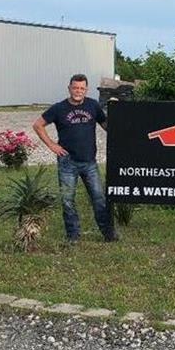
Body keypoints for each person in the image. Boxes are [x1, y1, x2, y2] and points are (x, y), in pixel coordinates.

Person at [33, 74, 118, 243]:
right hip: (67, 163)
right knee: (67, 201)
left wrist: (118, 116)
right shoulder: (58, 108)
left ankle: (108, 233)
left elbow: (106, 125)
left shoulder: (93, 105)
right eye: (75, 88)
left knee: (99, 199)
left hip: (89, 162)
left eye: (82, 88)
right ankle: (73, 235)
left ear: (86, 90)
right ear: (69, 88)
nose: (78, 91)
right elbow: (38, 125)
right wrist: (52, 145)